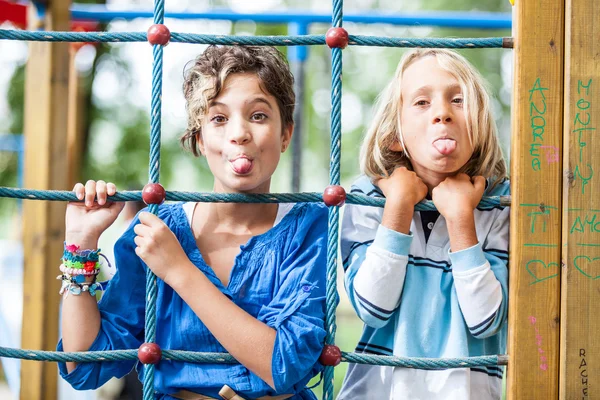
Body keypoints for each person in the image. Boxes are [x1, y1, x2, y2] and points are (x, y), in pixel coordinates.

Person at [57, 45, 328, 400]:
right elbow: (86, 366)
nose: (239, 133)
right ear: (199, 138)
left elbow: (286, 363)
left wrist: (180, 271)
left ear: (285, 134)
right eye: (218, 119)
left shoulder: (307, 227)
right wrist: (81, 242)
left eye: (258, 116)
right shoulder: (157, 229)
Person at [337, 49, 509, 400]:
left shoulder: (500, 201)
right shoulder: (367, 195)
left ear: (479, 122)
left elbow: (486, 320)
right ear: (395, 134)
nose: (442, 113)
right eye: (421, 102)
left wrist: (462, 219)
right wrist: (398, 207)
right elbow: (372, 307)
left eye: (458, 100)